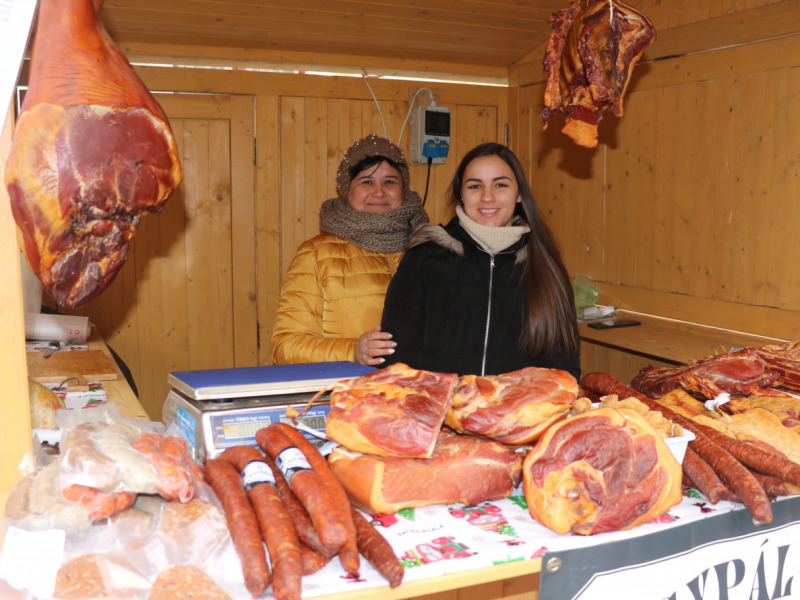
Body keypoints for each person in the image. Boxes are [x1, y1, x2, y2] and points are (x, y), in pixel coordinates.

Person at [380, 142, 581, 378]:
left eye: (500, 185)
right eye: (475, 186)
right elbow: (395, 363)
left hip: (519, 412)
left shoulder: (545, 265)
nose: (487, 197)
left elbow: (564, 370)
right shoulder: (423, 258)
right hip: (442, 411)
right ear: (461, 196)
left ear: (518, 194)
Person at [271, 134, 428, 366]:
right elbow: (285, 346)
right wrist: (353, 351)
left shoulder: (431, 250)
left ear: (403, 188)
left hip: (419, 393)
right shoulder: (315, 254)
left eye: (390, 181)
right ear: (347, 189)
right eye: (367, 181)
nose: (379, 191)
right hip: (346, 393)